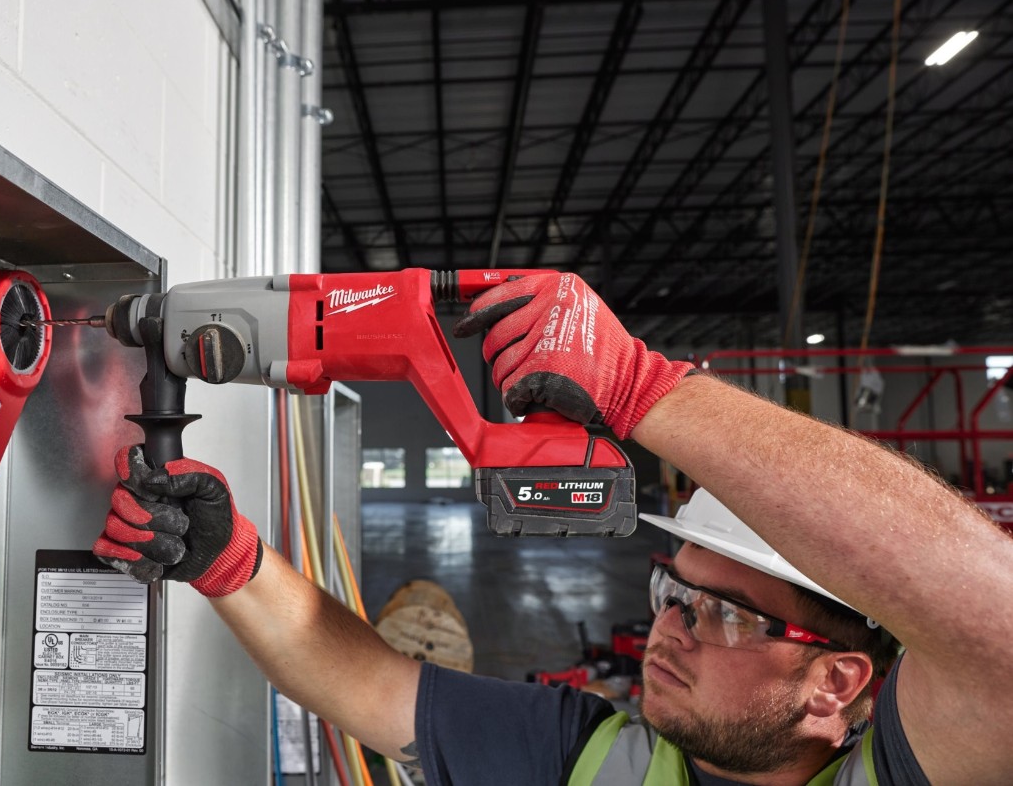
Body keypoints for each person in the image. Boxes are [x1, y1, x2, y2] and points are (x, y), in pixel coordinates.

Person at [93, 273, 1013, 785]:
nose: (669, 628)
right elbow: (370, 686)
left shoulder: (914, 771)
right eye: (675, 592)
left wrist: (644, 388)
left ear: (836, 682)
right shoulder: (592, 756)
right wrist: (233, 562)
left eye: (725, 614)